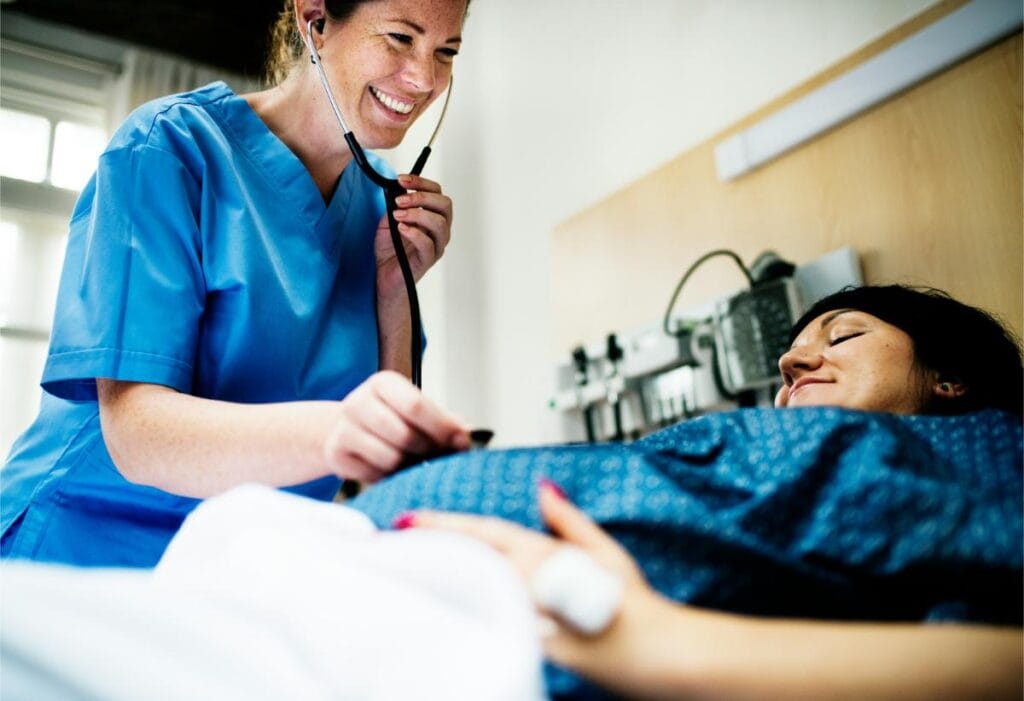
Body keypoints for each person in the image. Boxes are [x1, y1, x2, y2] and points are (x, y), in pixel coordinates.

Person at [376, 285, 1024, 700]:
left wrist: (655, 640)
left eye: (844, 334)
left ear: (950, 378)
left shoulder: (991, 459)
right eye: (791, 354)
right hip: (384, 580)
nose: (792, 364)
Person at [0, 0, 473, 568]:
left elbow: (385, 454)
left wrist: (396, 292)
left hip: (231, 574)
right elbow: (136, 434)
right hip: (75, 550)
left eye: (445, 52)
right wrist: (336, 429)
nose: (424, 78)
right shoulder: (169, 147)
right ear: (315, 19)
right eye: (400, 37)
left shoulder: (385, 210)